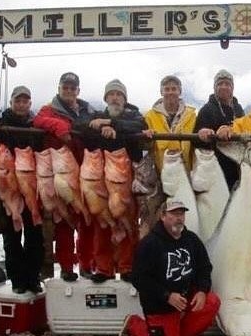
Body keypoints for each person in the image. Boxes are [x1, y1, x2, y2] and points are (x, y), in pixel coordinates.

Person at [33, 72, 96, 282]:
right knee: (64, 222)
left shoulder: (89, 110)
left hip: (87, 171)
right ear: (59, 89)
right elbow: (38, 120)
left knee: (88, 221)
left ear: (78, 91)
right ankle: (67, 267)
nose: (68, 91)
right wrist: (60, 126)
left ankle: (87, 265)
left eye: (72, 88)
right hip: (62, 173)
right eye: (65, 87)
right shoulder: (49, 109)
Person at [123, 200, 220, 336]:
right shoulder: (149, 244)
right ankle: (134, 325)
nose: (179, 218)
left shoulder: (192, 240)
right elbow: (139, 278)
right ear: (163, 216)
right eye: (173, 214)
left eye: (181, 214)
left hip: (186, 299)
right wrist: (167, 296)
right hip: (160, 306)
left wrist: (202, 291)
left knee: (212, 301)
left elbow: (204, 267)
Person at [84, 79, 147, 284]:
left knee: (129, 222)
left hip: (125, 180)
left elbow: (139, 126)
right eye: (111, 94)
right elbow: (80, 127)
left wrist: (112, 125)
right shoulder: (96, 116)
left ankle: (127, 266)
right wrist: (99, 126)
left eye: (119, 95)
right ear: (105, 98)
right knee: (102, 224)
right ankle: (104, 268)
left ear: (125, 99)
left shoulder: (134, 115)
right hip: (101, 180)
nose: (115, 98)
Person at [0, 85, 45, 294]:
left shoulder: (35, 126)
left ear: (30, 103)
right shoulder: (0, 123)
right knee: (12, 237)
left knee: (35, 237)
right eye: (18, 101)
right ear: (12, 102)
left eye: (25, 101)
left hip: (30, 185)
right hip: (9, 187)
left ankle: (32, 278)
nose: (21, 104)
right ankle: (17, 281)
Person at [193, 69, 244, 190]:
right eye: (220, 84)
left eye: (227, 84)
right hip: (214, 169)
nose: (223, 87)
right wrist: (202, 133)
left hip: (236, 167)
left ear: (232, 88)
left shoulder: (238, 109)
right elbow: (195, 140)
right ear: (214, 87)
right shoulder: (206, 109)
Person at [144, 75, 197, 173]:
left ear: (179, 92)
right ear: (161, 92)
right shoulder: (149, 116)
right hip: (161, 173)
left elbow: (197, 144)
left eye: (174, 89)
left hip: (186, 173)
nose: (170, 92)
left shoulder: (192, 115)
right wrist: (147, 138)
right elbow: (145, 146)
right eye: (167, 89)